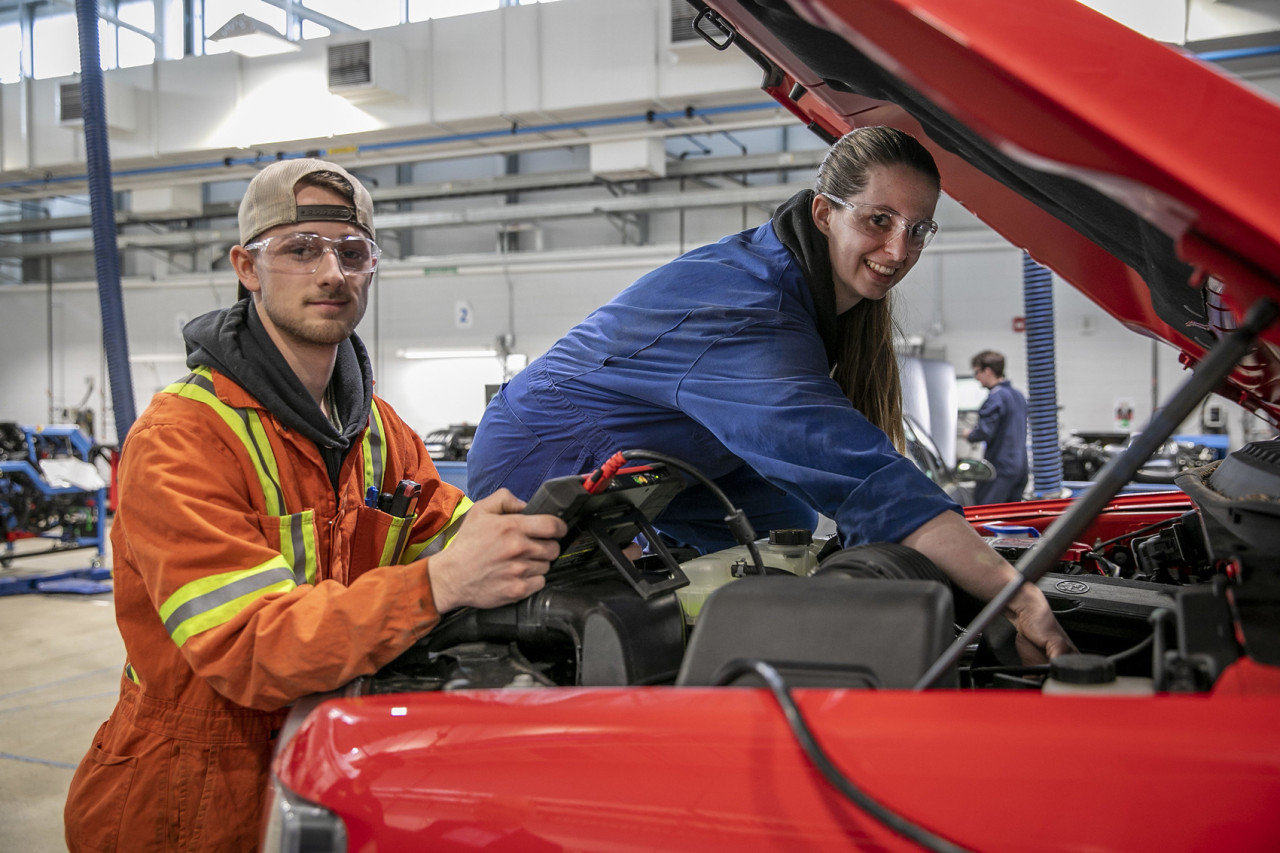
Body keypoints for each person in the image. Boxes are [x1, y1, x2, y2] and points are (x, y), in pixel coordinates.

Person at [63, 158, 566, 852]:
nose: (332, 272)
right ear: (247, 267)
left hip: (324, 761)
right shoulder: (180, 439)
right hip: (192, 797)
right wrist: (439, 583)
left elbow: (445, 530)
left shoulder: (379, 430)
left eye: (352, 251)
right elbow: (248, 643)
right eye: (301, 249)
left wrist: (524, 530)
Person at [467, 126, 1074, 665]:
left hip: (687, 452)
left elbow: (855, 473)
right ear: (823, 214)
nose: (899, 251)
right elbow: (854, 469)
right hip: (550, 448)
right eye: (878, 220)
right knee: (566, 619)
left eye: (918, 230)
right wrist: (1013, 596)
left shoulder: (811, 291)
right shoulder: (747, 310)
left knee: (786, 541)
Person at [966, 350, 1030, 504]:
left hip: (1000, 470)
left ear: (987, 371)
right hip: (1021, 468)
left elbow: (984, 431)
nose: (976, 378)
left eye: (977, 372)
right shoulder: (1018, 395)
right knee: (1011, 517)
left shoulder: (996, 398)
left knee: (986, 516)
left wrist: (969, 434)